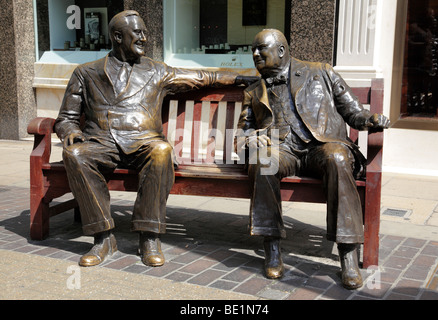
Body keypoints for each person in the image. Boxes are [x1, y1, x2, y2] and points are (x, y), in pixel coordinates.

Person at [55, 10, 255, 268]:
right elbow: (66, 118)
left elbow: (204, 78)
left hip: (144, 142)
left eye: (145, 32)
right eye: (137, 33)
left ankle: (149, 237)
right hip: (102, 142)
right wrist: (71, 132)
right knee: (75, 155)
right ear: (117, 36)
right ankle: (103, 238)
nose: (144, 38)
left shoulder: (157, 71)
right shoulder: (86, 73)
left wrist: (246, 79)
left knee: (161, 151)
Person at [237, 29, 390, 289]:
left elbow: (352, 111)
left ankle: (348, 255)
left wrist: (370, 119)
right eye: (253, 50)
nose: (255, 54)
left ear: (281, 51)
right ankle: (272, 248)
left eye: (261, 49)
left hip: (322, 146)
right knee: (263, 162)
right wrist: (248, 139)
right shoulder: (254, 89)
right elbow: (244, 130)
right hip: (282, 148)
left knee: (338, 159)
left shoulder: (321, 72)